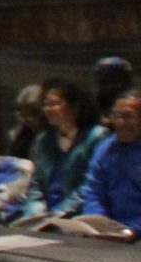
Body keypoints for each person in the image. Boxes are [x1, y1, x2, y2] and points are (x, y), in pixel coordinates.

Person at [27, 78, 104, 217]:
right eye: (46, 104)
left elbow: (88, 186)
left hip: (78, 214)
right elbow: (37, 184)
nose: (48, 109)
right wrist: (34, 214)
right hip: (45, 217)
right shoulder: (43, 140)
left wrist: (58, 214)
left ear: (76, 107)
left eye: (55, 104)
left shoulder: (96, 137)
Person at [77, 93, 141, 231]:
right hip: (110, 230)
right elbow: (93, 191)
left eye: (129, 116)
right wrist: (97, 221)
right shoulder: (105, 148)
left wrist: (132, 230)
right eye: (117, 116)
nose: (122, 122)